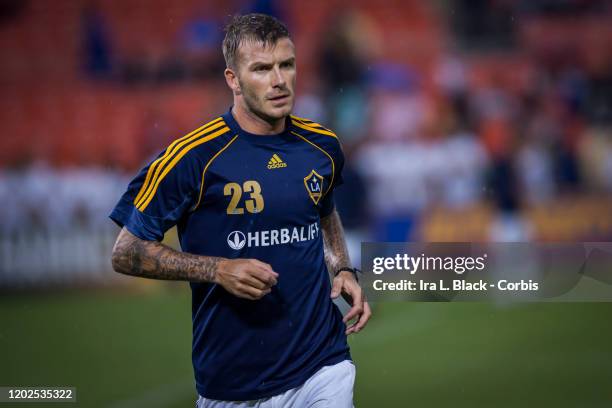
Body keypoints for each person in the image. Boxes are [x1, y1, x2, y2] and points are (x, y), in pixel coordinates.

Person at [109, 13, 371, 408]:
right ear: (233, 79)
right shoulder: (190, 158)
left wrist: (342, 267)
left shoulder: (322, 146)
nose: (279, 80)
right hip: (232, 384)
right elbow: (125, 252)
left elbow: (324, 209)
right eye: (262, 69)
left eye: (287, 64)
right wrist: (218, 269)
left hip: (323, 363)